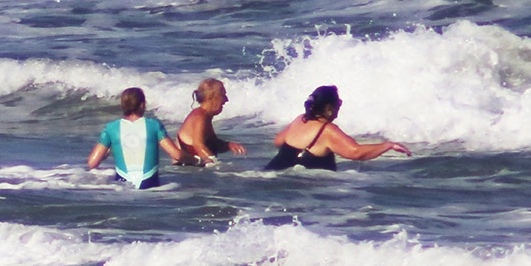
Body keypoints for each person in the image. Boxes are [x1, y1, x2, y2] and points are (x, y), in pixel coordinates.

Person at [266, 85, 410, 171]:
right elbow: (356, 153)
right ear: (329, 108)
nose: (340, 106)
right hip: (299, 185)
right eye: (339, 103)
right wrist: (388, 145)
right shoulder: (327, 130)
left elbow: (278, 141)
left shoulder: (300, 119)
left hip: (271, 172)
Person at [87, 87, 185, 189]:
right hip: (150, 186)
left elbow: (92, 163)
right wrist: (196, 160)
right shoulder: (154, 125)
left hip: (123, 187)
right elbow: (177, 155)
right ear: (142, 105)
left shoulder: (111, 128)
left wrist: (106, 154)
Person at [176, 78, 249, 165]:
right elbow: (198, 145)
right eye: (223, 95)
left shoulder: (205, 116)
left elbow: (214, 143)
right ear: (212, 98)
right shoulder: (199, 117)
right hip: (188, 173)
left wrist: (229, 145)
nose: (226, 100)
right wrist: (216, 165)